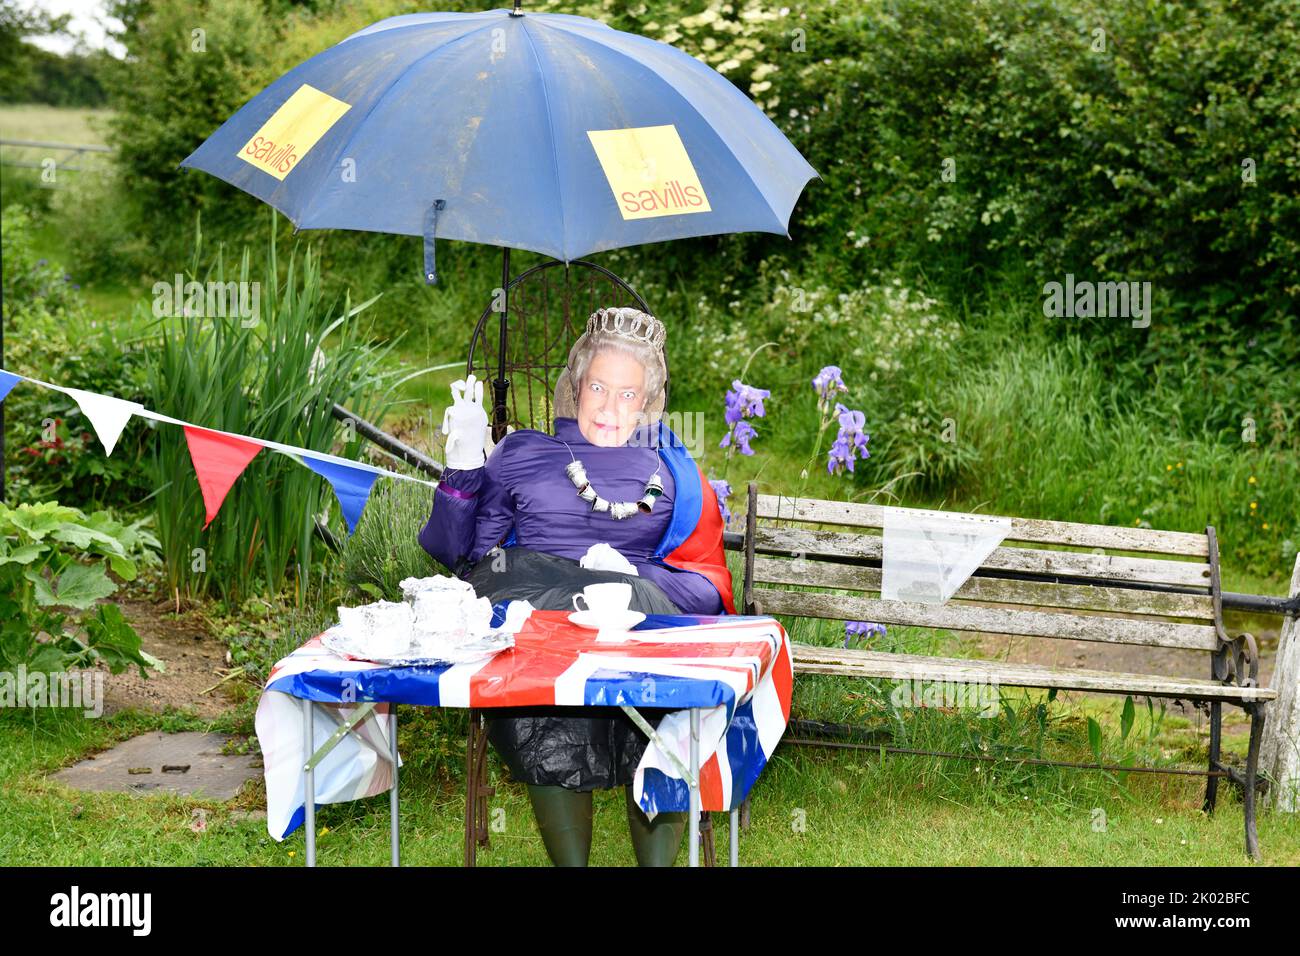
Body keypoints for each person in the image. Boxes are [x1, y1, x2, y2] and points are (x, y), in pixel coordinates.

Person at [418, 306, 735, 866]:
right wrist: (464, 465)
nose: (611, 409)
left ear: (650, 402)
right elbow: (460, 557)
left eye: (629, 395)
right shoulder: (522, 454)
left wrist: (634, 576)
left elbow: (708, 590)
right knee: (541, 656)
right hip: (543, 629)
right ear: (575, 386)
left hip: (637, 630)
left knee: (664, 683)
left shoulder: (675, 472)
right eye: (598, 387)